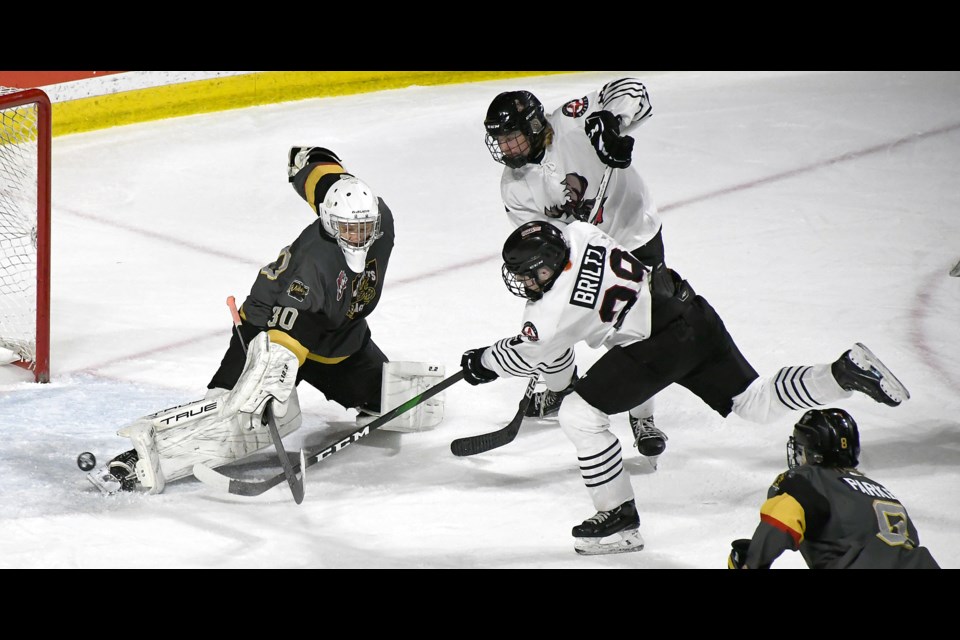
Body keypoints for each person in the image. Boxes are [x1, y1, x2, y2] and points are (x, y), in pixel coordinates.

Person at [459, 220, 910, 555]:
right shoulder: (579, 233)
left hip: (658, 344)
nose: (523, 284)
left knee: (580, 413)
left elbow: (532, 355)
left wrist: (482, 361)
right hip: (689, 309)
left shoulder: (549, 314)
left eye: (527, 274)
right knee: (751, 402)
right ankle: (841, 374)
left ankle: (619, 521)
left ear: (546, 267)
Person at [86, 147, 445, 495]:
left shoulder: (373, 214)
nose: (359, 236)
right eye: (349, 229)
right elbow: (286, 337)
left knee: (399, 405)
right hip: (266, 330)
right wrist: (267, 386)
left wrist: (310, 161)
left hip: (338, 342)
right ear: (329, 222)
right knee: (235, 417)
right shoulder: (313, 267)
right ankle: (134, 462)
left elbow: (329, 181)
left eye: (365, 227)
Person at [483, 79, 670, 466]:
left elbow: (632, 89)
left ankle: (643, 417)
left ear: (535, 126)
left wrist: (611, 121)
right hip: (579, 256)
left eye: (511, 138)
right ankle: (559, 386)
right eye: (499, 142)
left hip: (634, 236)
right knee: (550, 312)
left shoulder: (572, 122)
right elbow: (534, 239)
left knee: (642, 331)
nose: (505, 149)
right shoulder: (514, 186)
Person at [728, 408, 940, 569]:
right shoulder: (884, 493)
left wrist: (750, 561)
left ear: (813, 453)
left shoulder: (809, 479)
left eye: (802, 451)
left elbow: (780, 523)